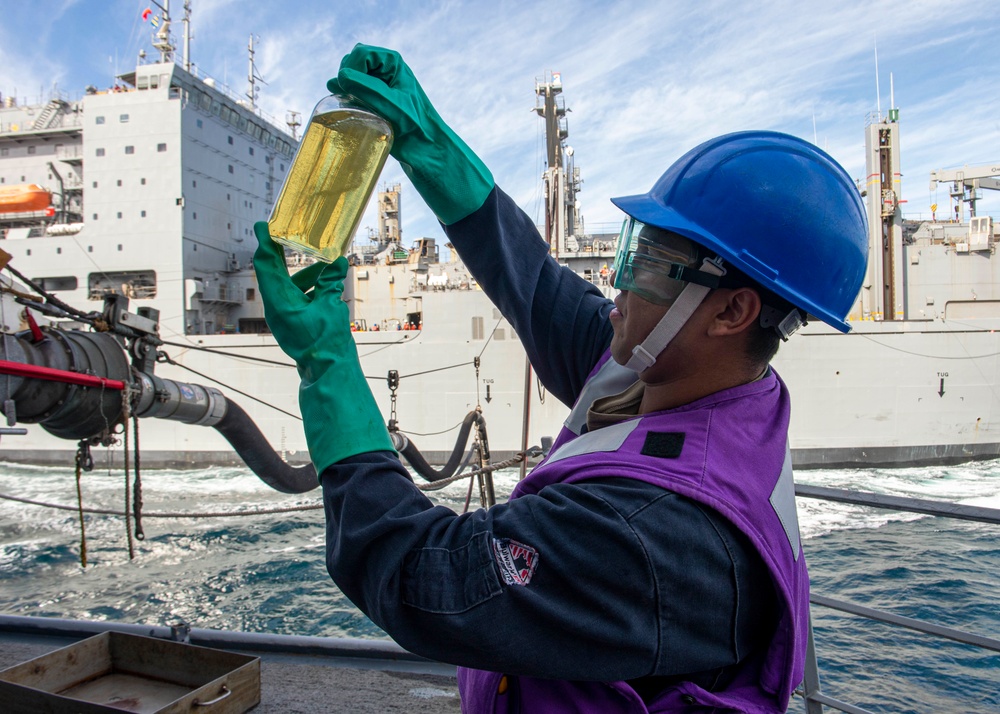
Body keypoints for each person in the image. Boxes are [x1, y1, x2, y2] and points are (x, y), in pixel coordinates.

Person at [252, 45, 868, 713]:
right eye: (631, 248)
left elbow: (414, 572)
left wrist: (325, 359)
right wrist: (425, 141)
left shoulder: (653, 538)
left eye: (650, 263)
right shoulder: (686, 382)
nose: (617, 280)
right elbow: (536, 285)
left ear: (731, 310)